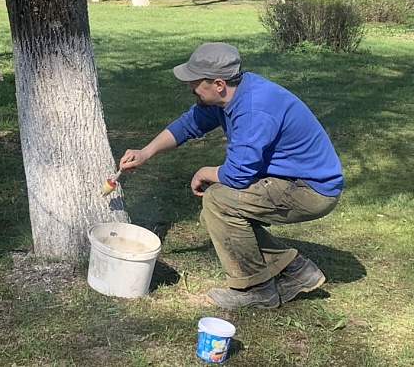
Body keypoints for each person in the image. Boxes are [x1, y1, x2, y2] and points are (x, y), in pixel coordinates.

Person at [119, 42, 343, 309]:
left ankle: (256, 289)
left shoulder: (253, 111)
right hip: (293, 179)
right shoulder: (231, 95)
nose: (189, 87)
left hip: (310, 190)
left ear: (218, 84)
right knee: (219, 210)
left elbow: (237, 175)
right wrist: (145, 153)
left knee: (218, 201)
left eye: (194, 81)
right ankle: (296, 269)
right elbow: (189, 124)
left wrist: (204, 171)